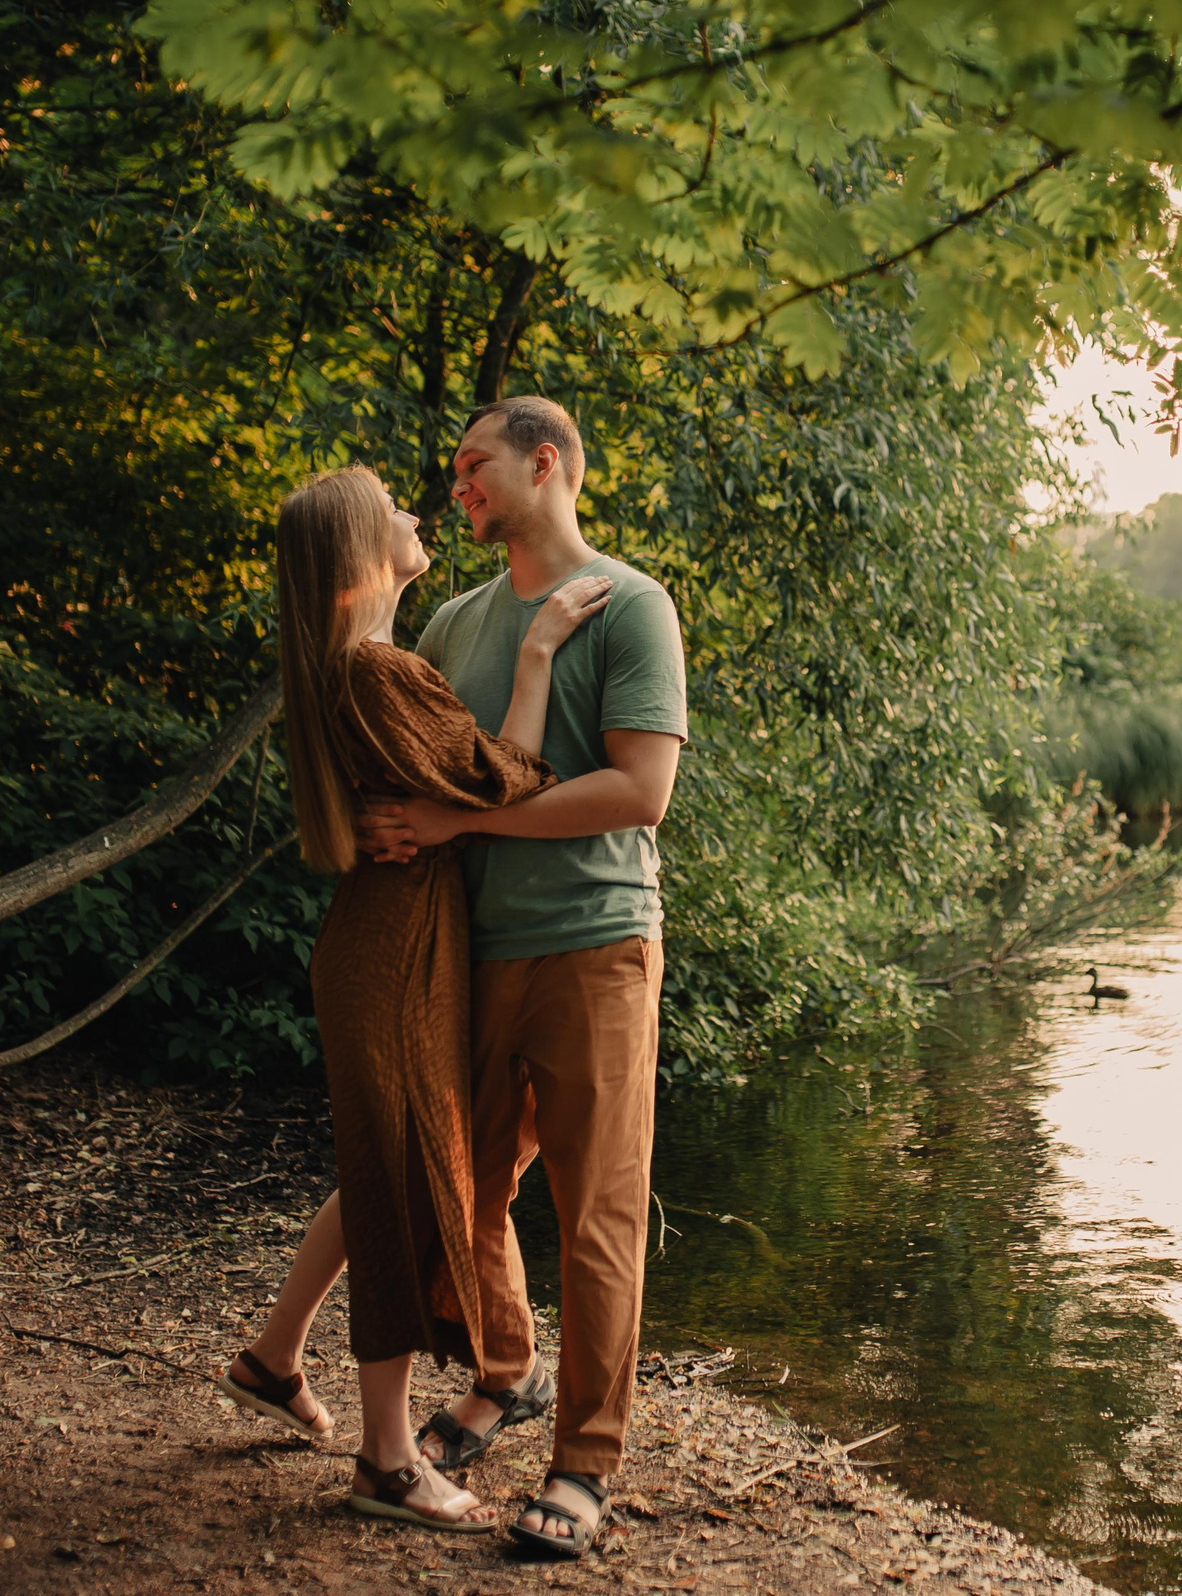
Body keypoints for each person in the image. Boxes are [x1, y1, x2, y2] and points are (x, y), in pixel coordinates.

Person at [215, 466, 611, 1535]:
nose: (414, 516)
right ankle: (387, 1460)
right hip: (395, 955)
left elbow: (467, 789)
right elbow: (506, 778)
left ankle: (274, 1357)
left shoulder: (367, 668)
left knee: (388, 1168)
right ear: (358, 559)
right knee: (397, 1184)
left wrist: (451, 810)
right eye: (393, 508)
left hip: (392, 945)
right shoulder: (376, 673)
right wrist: (536, 654)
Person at [356, 395, 686, 1559]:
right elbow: (430, 764)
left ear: (544, 464)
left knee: (595, 1215)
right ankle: (506, 1376)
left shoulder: (631, 608)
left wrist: (451, 822)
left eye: (472, 465)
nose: (457, 487)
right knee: (466, 1190)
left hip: (598, 943)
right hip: (473, 953)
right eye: (451, 472)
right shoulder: (451, 623)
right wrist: (398, 827)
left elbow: (638, 794)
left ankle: (584, 1466)